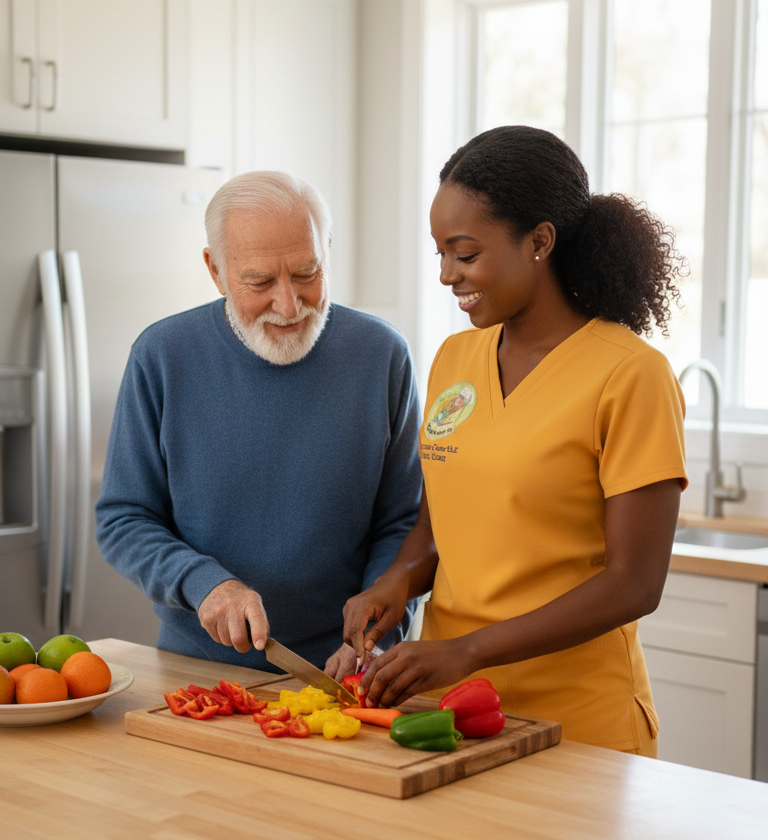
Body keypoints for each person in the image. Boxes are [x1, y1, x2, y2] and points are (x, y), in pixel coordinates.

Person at [343, 126, 688, 756]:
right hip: (448, 717)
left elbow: (636, 583)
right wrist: (394, 584)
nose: (448, 274)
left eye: (465, 253)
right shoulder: (454, 358)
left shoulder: (630, 375)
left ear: (540, 241)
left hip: (578, 725)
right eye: (440, 253)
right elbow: (440, 521)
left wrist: (469, 650)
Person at [95, 171, 422, 678]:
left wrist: (375, 637)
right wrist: (205, 583)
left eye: (308, 273)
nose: (290, 305)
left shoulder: (382, 355)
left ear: (327, 250)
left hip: (345, 673)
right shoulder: (161, 356)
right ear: (216, 270)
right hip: (198, 672)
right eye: (260, 281)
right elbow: (124, 519)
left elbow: (403, 521)